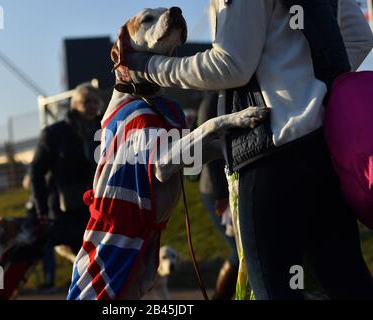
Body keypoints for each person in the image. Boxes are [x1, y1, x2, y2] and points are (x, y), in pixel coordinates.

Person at [121, 1, 373, 299]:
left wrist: (148, 68)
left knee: (272, 289)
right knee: (347, 284)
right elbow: (359, 38)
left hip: (270, 151)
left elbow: (230, 66)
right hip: (323, 144)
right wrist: (309, 84)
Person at [30, 82, 101, 258]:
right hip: (67, 212)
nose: (92, 106)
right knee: (83, 260)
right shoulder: (54, 134)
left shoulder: (105, 129)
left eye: (95, 102)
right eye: (86, 101)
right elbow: (36, 171)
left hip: (100, 206)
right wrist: (42, 210)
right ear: (74, 105)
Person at [198, 92, 238, 300]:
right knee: (239, 252)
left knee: (243, 252)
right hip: (217, 188)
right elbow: (208, 150)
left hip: (237, 182)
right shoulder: (212, 101)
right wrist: (221, 195)